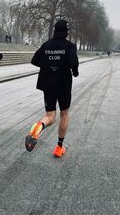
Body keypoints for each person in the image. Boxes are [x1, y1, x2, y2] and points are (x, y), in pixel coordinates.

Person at [25, 19, 79, 157]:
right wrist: (75, 71)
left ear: (55, 31)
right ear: (66, 32)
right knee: (64, 114)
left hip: (47, 82)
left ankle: (38, 127)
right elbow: (73, 63)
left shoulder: (46, 45)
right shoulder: (69, 46)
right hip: (63, 84)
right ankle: (59, 147)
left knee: (50, 116)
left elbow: (34, 60)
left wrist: (48, 66)